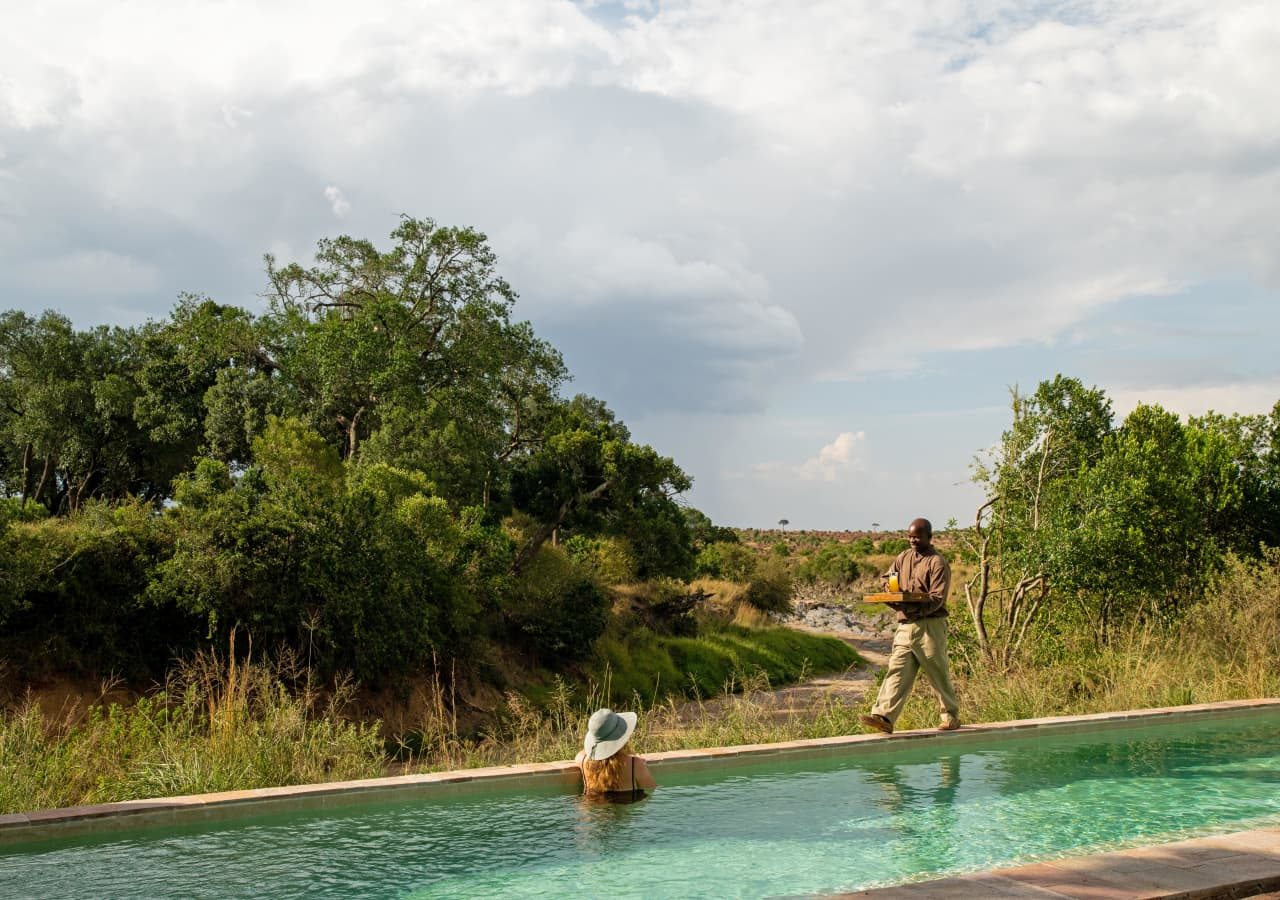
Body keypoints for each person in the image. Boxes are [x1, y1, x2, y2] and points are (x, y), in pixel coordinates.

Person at [859, 517, 961, 735]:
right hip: (905, 625)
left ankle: (950, 717)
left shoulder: (937, 562)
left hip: (929, 626)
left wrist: (911, 608)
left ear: (929, 537)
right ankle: (884, 717)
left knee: (937, 671)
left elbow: (936, 599)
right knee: (897, 670)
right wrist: (891, 590)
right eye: (910, 536)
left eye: (917, 537)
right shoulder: (903, 557)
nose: (913, 540)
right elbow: (888, 579)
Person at [574, 707, 658, 799]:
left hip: (591, 808)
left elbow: (589, 754)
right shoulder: (635, 764)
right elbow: (652, 790)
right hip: (625, 808)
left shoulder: (581, 759)